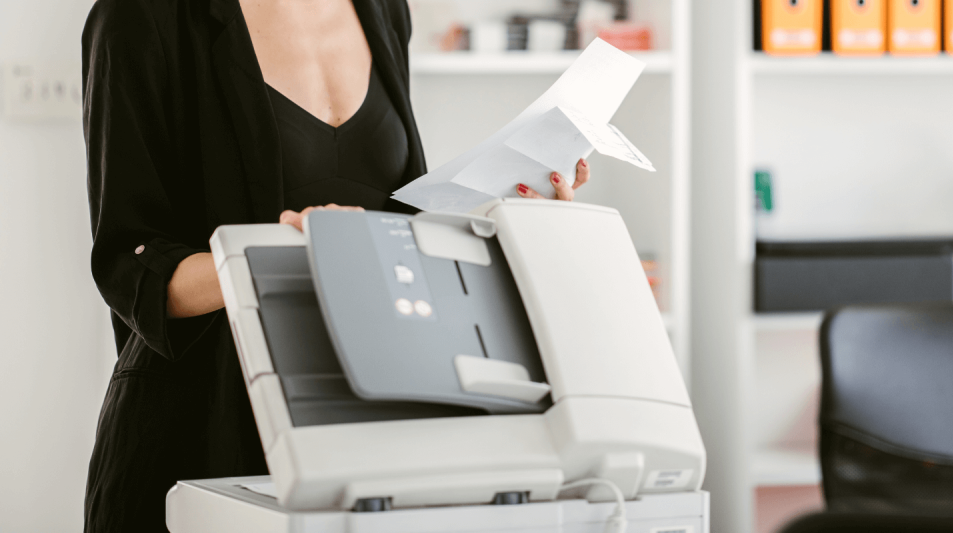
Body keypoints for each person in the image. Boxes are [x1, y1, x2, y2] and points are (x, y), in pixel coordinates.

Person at [81, 0, 588, 530]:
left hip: (361, 424)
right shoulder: (138, 16)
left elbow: (391, 224)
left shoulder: (384, 10)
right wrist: (284, 252)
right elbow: (130, 267)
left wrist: (503, 211)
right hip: (203, 427)